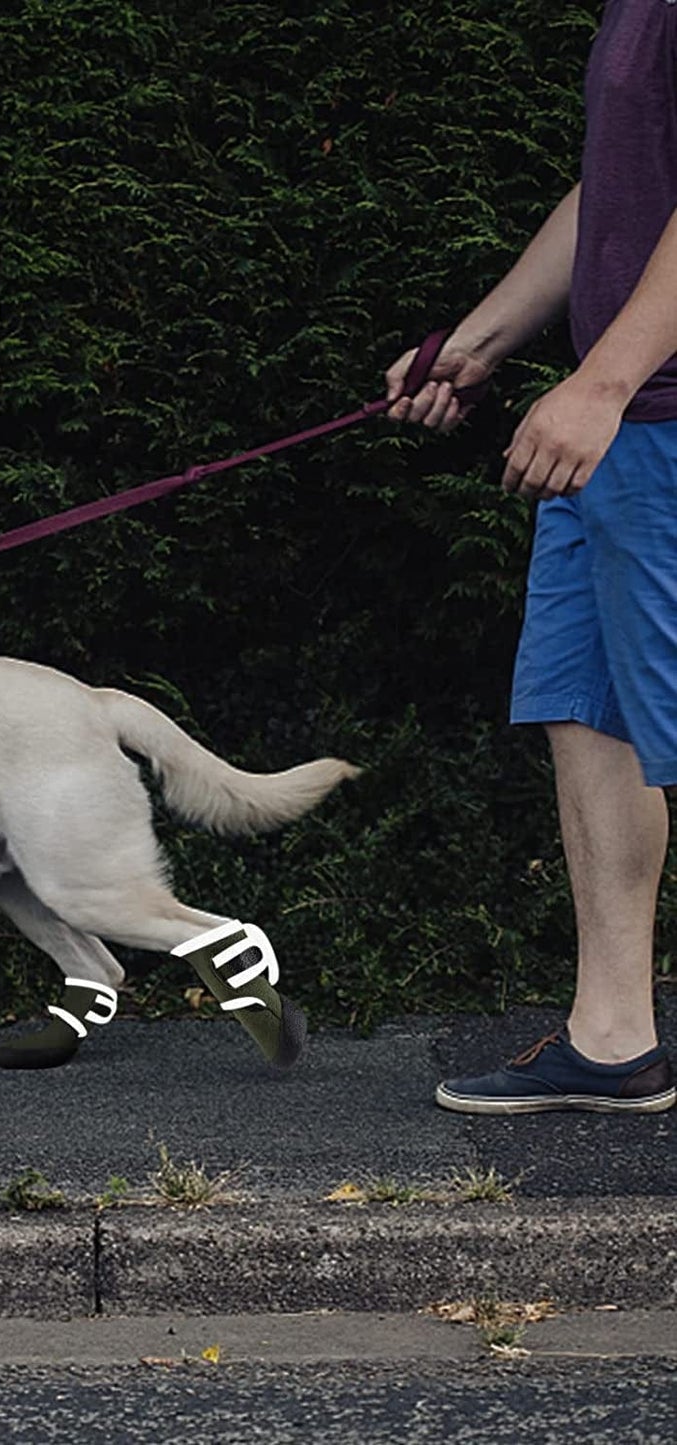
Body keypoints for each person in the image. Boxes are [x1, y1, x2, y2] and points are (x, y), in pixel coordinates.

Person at [385, 0, 676, 1113]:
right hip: (620, 422)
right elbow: (615, 188)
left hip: (648, 415)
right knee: (587, 715)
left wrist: (599, 383)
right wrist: (480, 340)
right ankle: (611, 1039)